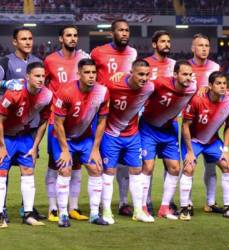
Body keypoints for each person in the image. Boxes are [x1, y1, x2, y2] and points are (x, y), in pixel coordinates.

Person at [0, 27, 45, 222]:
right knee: (3, 169)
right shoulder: (7, 61)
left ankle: (26, 210)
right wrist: (6, 83)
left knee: (28, 169)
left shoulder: (38, 63)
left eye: (30, 38)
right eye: (23, 39)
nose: (28, 42)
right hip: (7, 124)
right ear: (15, 42)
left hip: (28, 128)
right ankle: (1, 210)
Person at [0, 61, 52, 228]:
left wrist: (35, 146)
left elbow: (43, 122)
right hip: (5, 137)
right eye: (37, 76)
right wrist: (2, 147)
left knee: (28, 171)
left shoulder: (47, 95)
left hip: (25, 137)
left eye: (43, 76)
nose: (41, 79)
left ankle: (28, 215)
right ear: (27, 77)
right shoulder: (14, 92)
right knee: (2, 172)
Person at [52, 59, 109, 227]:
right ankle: (63, 214)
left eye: (93, 72)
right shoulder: (66, 92)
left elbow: (101, 122)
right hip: (63, 138)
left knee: (96, 168)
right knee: (65, 169)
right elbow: (58, 123)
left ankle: (93, 214)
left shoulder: (102, 92)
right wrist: (64, 150)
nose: (91, 76)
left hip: (85, 138)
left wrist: (96, 149)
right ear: (79, 74)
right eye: (87, 72)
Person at [180, 71, 229, 221]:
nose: (222, 86)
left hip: (212, 141)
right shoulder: (197, 100)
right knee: (189, 167)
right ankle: (184, 208)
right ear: (210, 86)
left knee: (227, 166)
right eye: (218, 83)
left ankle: (228, 208)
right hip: (193, 140)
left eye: (224, 83)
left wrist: (226, 150)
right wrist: (189, 151)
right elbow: (185, 126)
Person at [91, 18, 137, 216]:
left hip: (124, 112)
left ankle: (123, 202)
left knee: (124, 163)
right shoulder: (98, 52)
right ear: (113, 33)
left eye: (127, 30)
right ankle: (101, 203)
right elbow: (88, 73)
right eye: (121, 30)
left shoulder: (133, 53)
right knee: (101, 161)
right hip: (102, 112)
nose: (124, 33)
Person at [44, 25, 90, 222]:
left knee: (77, 165)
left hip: (80, 121)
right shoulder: (50, 61)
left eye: (75, 35)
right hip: (58, 121)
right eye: (68, 35)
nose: (73, 38)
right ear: (61, 39)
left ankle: (73, 207)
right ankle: (53, 208)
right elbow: (42, 85)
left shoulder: (84, 57)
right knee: (56, 164)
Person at [100, 59, 155, 224]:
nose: (144, 78)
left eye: (147, 74)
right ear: (131, 73)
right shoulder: (112, 84)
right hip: (111, 135)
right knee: (109, 172)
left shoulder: (149, 87)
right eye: (140, 74)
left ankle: (138, 210)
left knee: (137, 170)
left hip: (132, 135)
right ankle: (107, 211)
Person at [141, 60, 196, 220]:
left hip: (169, 129)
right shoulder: (159, 83)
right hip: (148, 128)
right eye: (184, 74)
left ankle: (164, 208)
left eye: (190, 75)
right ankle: (142, 206)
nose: (188, 78)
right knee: (148, 167)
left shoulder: (192, 88)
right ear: (175, 75)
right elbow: (140, 86)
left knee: (174, 168)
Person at [188, 33, 222, 215]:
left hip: (210, 124)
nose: (204, 48)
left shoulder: (215, 67)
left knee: (211, 166)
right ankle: (188, 202)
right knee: (188, 166)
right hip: (191, 124)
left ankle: (210, 202)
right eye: (200, 45)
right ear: (193, 48)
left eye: (207, 45)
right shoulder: (186, 67)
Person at [144, 30, 177, 214]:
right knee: (148, 166)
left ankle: (168, 202)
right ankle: (146, 201)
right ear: (154, 44)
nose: (167, 44)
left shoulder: (175, 65)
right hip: (148, 120)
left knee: (170, 164)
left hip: (170, 122)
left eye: (169, 41)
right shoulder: (146, 65)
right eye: (163, 41)